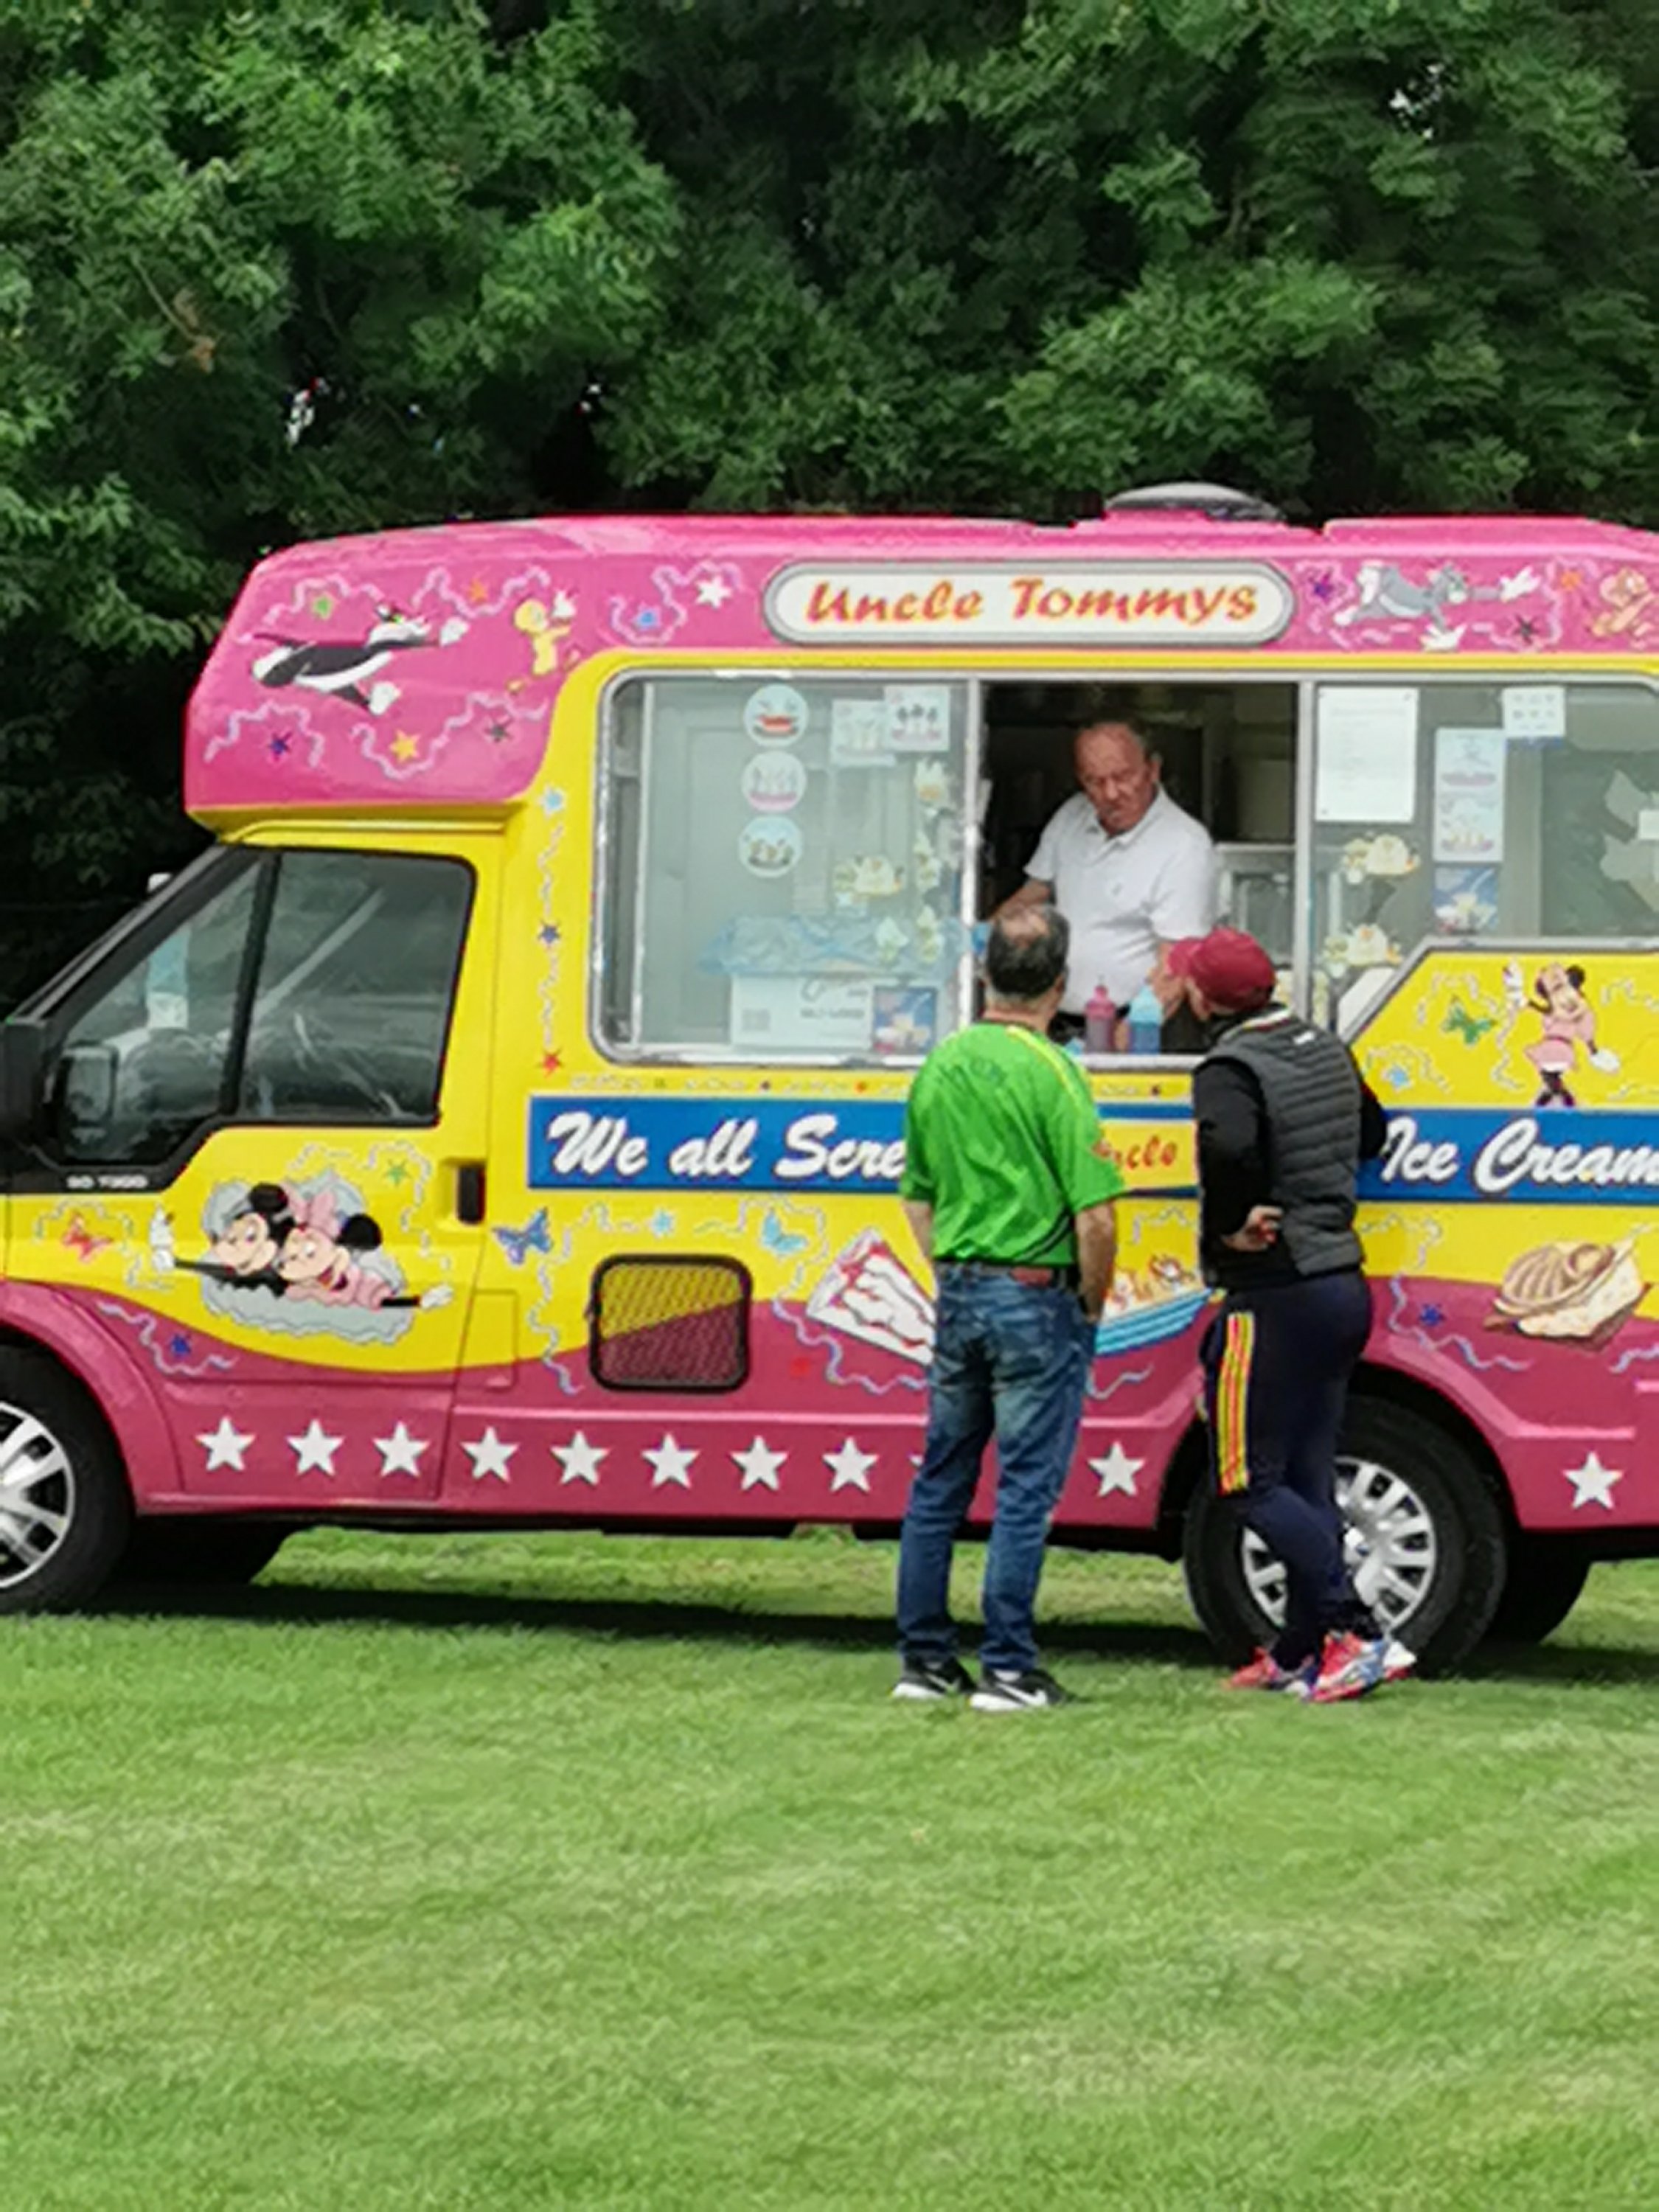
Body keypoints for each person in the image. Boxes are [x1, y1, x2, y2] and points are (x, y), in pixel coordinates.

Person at [894, 905, 1122, 1712]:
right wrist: (1089, 1302)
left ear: (985, 974)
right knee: (1024, 1487)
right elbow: (1096, 1218)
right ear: (1060, 985)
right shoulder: (1057, 1074)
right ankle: (1010, 1667)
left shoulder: (940, 1064)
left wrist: (954, 1270)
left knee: (940, 1480)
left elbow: (917, 1197)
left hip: (961, 1286)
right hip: (1035, 1292)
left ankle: (924, 1659)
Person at [1183, 926, 1411, 1704]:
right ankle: (1298, 1652)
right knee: (1309, 1480)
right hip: (1340, 1284)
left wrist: (1230, 1223)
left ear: (1205, 998)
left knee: (1245, 1478)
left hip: (1271, 1291)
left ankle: (1357, 1630)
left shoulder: (1229, 1067)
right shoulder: (1325, 1047)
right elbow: (1373, 1132)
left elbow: (1227, 1145)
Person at [998, 720, 1217, 1035]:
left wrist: (1119, 1046)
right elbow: (1032, 896)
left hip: (1136, 1025)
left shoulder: (1185, 845)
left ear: (1152, 770)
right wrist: (977, 940)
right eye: (1095, 782)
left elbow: (1175, 968)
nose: (1111, 794)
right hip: (1055, 1018)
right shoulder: (1071, 816)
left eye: (1123, 777)